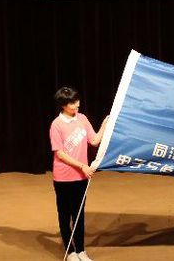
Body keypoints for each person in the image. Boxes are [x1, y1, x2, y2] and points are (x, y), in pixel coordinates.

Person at [49, 86, 108, 261]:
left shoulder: (82, 118)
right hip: (63, 177)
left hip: (81, 177)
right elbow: (60, 154)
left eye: (77, 100)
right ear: (63, 105)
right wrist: (82, 166)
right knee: (64, 215)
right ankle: (70, 252)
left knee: (79, 215)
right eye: (72, 102)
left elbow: (94, 140)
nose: (77, 104)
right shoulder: (56, 125)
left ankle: (81, 250)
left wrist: (105, 125)